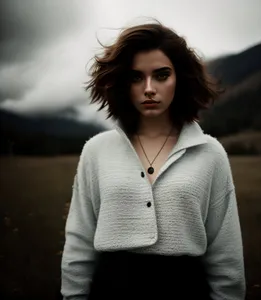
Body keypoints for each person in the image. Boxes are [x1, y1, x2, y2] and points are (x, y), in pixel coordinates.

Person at [60, 20, 246, 300]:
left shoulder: (210, 153)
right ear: (124, 83)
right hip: (110, 289)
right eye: (136, 77)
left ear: (179, 79)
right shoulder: (96, 151)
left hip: (186, 290)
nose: (149, 88)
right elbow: (80, 240)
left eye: (161, 75)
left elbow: (225, 249)